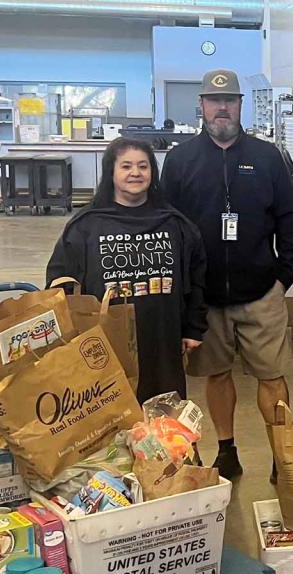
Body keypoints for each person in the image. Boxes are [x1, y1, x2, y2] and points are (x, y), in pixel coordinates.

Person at [161, 69, 293, 481]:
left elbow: (289, 218)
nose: (222, 108)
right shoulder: (181, 159)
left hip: (261, 291)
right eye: (214, 100)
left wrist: (284, 276)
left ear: (240, 105)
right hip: (206, 298)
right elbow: (169, 224)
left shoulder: (267, 157)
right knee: (217, 374)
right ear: (201, 105)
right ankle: (226, 450)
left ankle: (283, 454)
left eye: (230, 100)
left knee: (272, 376)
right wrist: (186, 290)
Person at [46, 137, 207, 403]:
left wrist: (193, 327)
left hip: (162, 339)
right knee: (114, 423)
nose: (135, 173)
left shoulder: (174, 223)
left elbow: (197, 278)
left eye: (143, 166)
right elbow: (60, 282)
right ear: (111, 172)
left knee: (166, 426)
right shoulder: (86, 225)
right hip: (104, 343)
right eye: (126, 166)